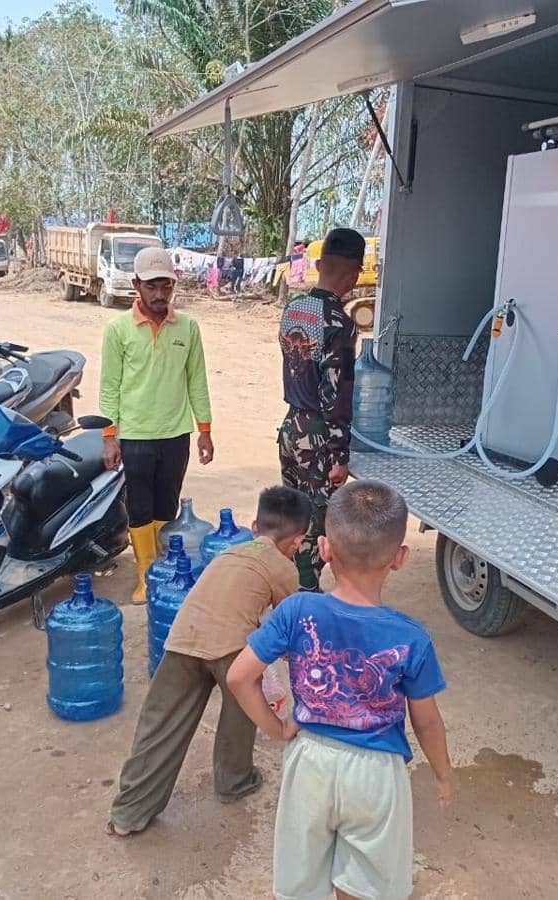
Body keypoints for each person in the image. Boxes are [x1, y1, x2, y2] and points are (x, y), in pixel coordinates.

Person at [228, 481, 455, 900]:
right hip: (376, 772)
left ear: (325, 548)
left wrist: (278, 729)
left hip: (309, 762)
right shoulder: (411, 637)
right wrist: (442, 773)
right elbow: (427, 722)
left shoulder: (298, 609)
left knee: (302, 884)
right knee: (365, 886)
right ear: (400, 558)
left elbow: (240, 677)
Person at [109, 486, 313, 836]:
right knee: (241, 713)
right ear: (298, 540)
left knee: (159, 724)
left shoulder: (226, 555)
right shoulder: (283, 568)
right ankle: (234, 781)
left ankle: (128, 813)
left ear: (254, 526)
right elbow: (290, 624)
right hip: (231, 647)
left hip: (182, 637)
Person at [99, 246, 214, 603]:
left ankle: (163, 570)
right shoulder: (118, 330)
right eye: (152, 287)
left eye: (166, 286)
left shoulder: (188, 328)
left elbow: (197, 381)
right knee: (139, 508)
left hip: (175, 434)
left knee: (167, 506)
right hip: (134, 435)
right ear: (137, 285)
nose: (160, 294)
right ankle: (146, 576)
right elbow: (109, 386)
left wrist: (205, 431)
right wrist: (108, 436)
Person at [277, 227, 363, 590]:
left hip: (290, 427)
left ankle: (281, 589)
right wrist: (340, 454)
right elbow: (335, 394)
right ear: (356, 273)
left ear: (319, 264)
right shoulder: (339, 323)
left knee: (290, 520)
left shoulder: (293, 307)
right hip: (318, 438)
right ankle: (304, 602)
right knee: (315, 527)